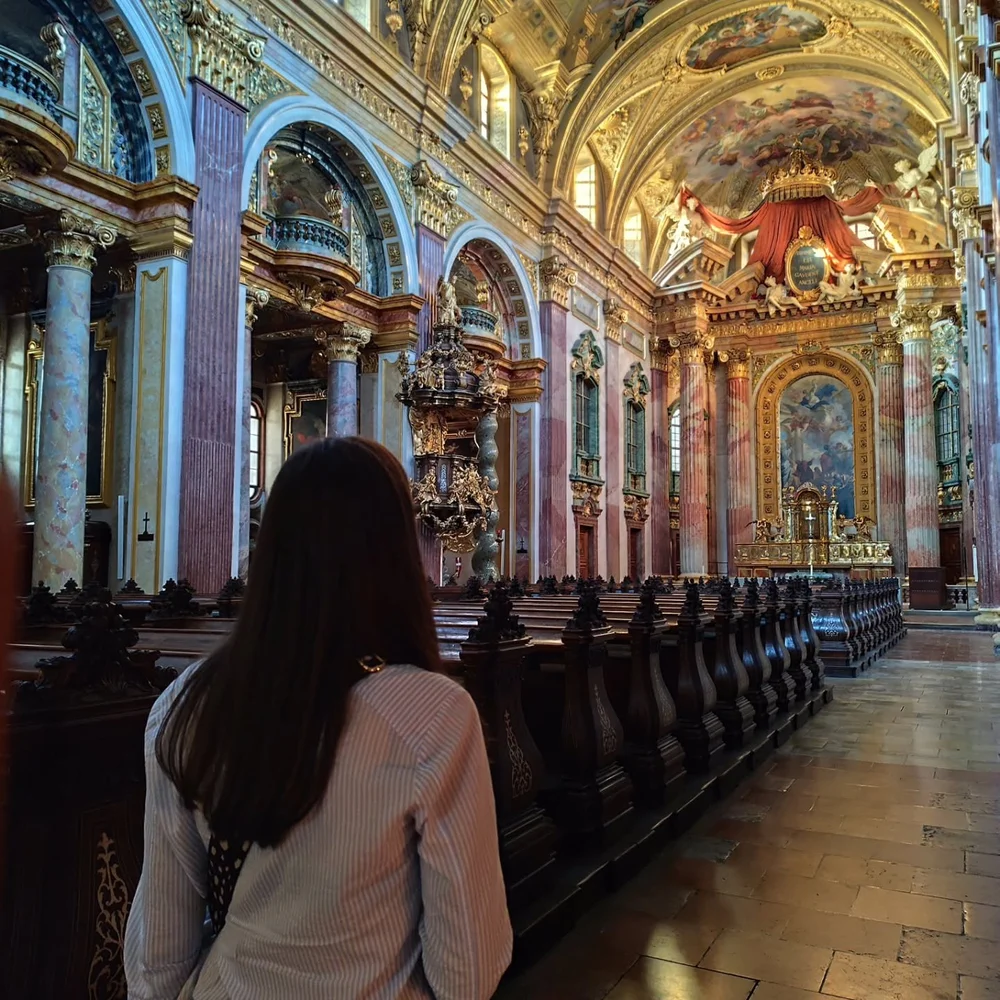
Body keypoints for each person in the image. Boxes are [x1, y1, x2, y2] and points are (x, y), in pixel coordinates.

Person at [124, 438, 512, 999]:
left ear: (271, 551)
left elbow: (157, 962)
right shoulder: (432, 715)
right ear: (396, 556)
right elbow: (467, 973)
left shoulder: (184, 704)